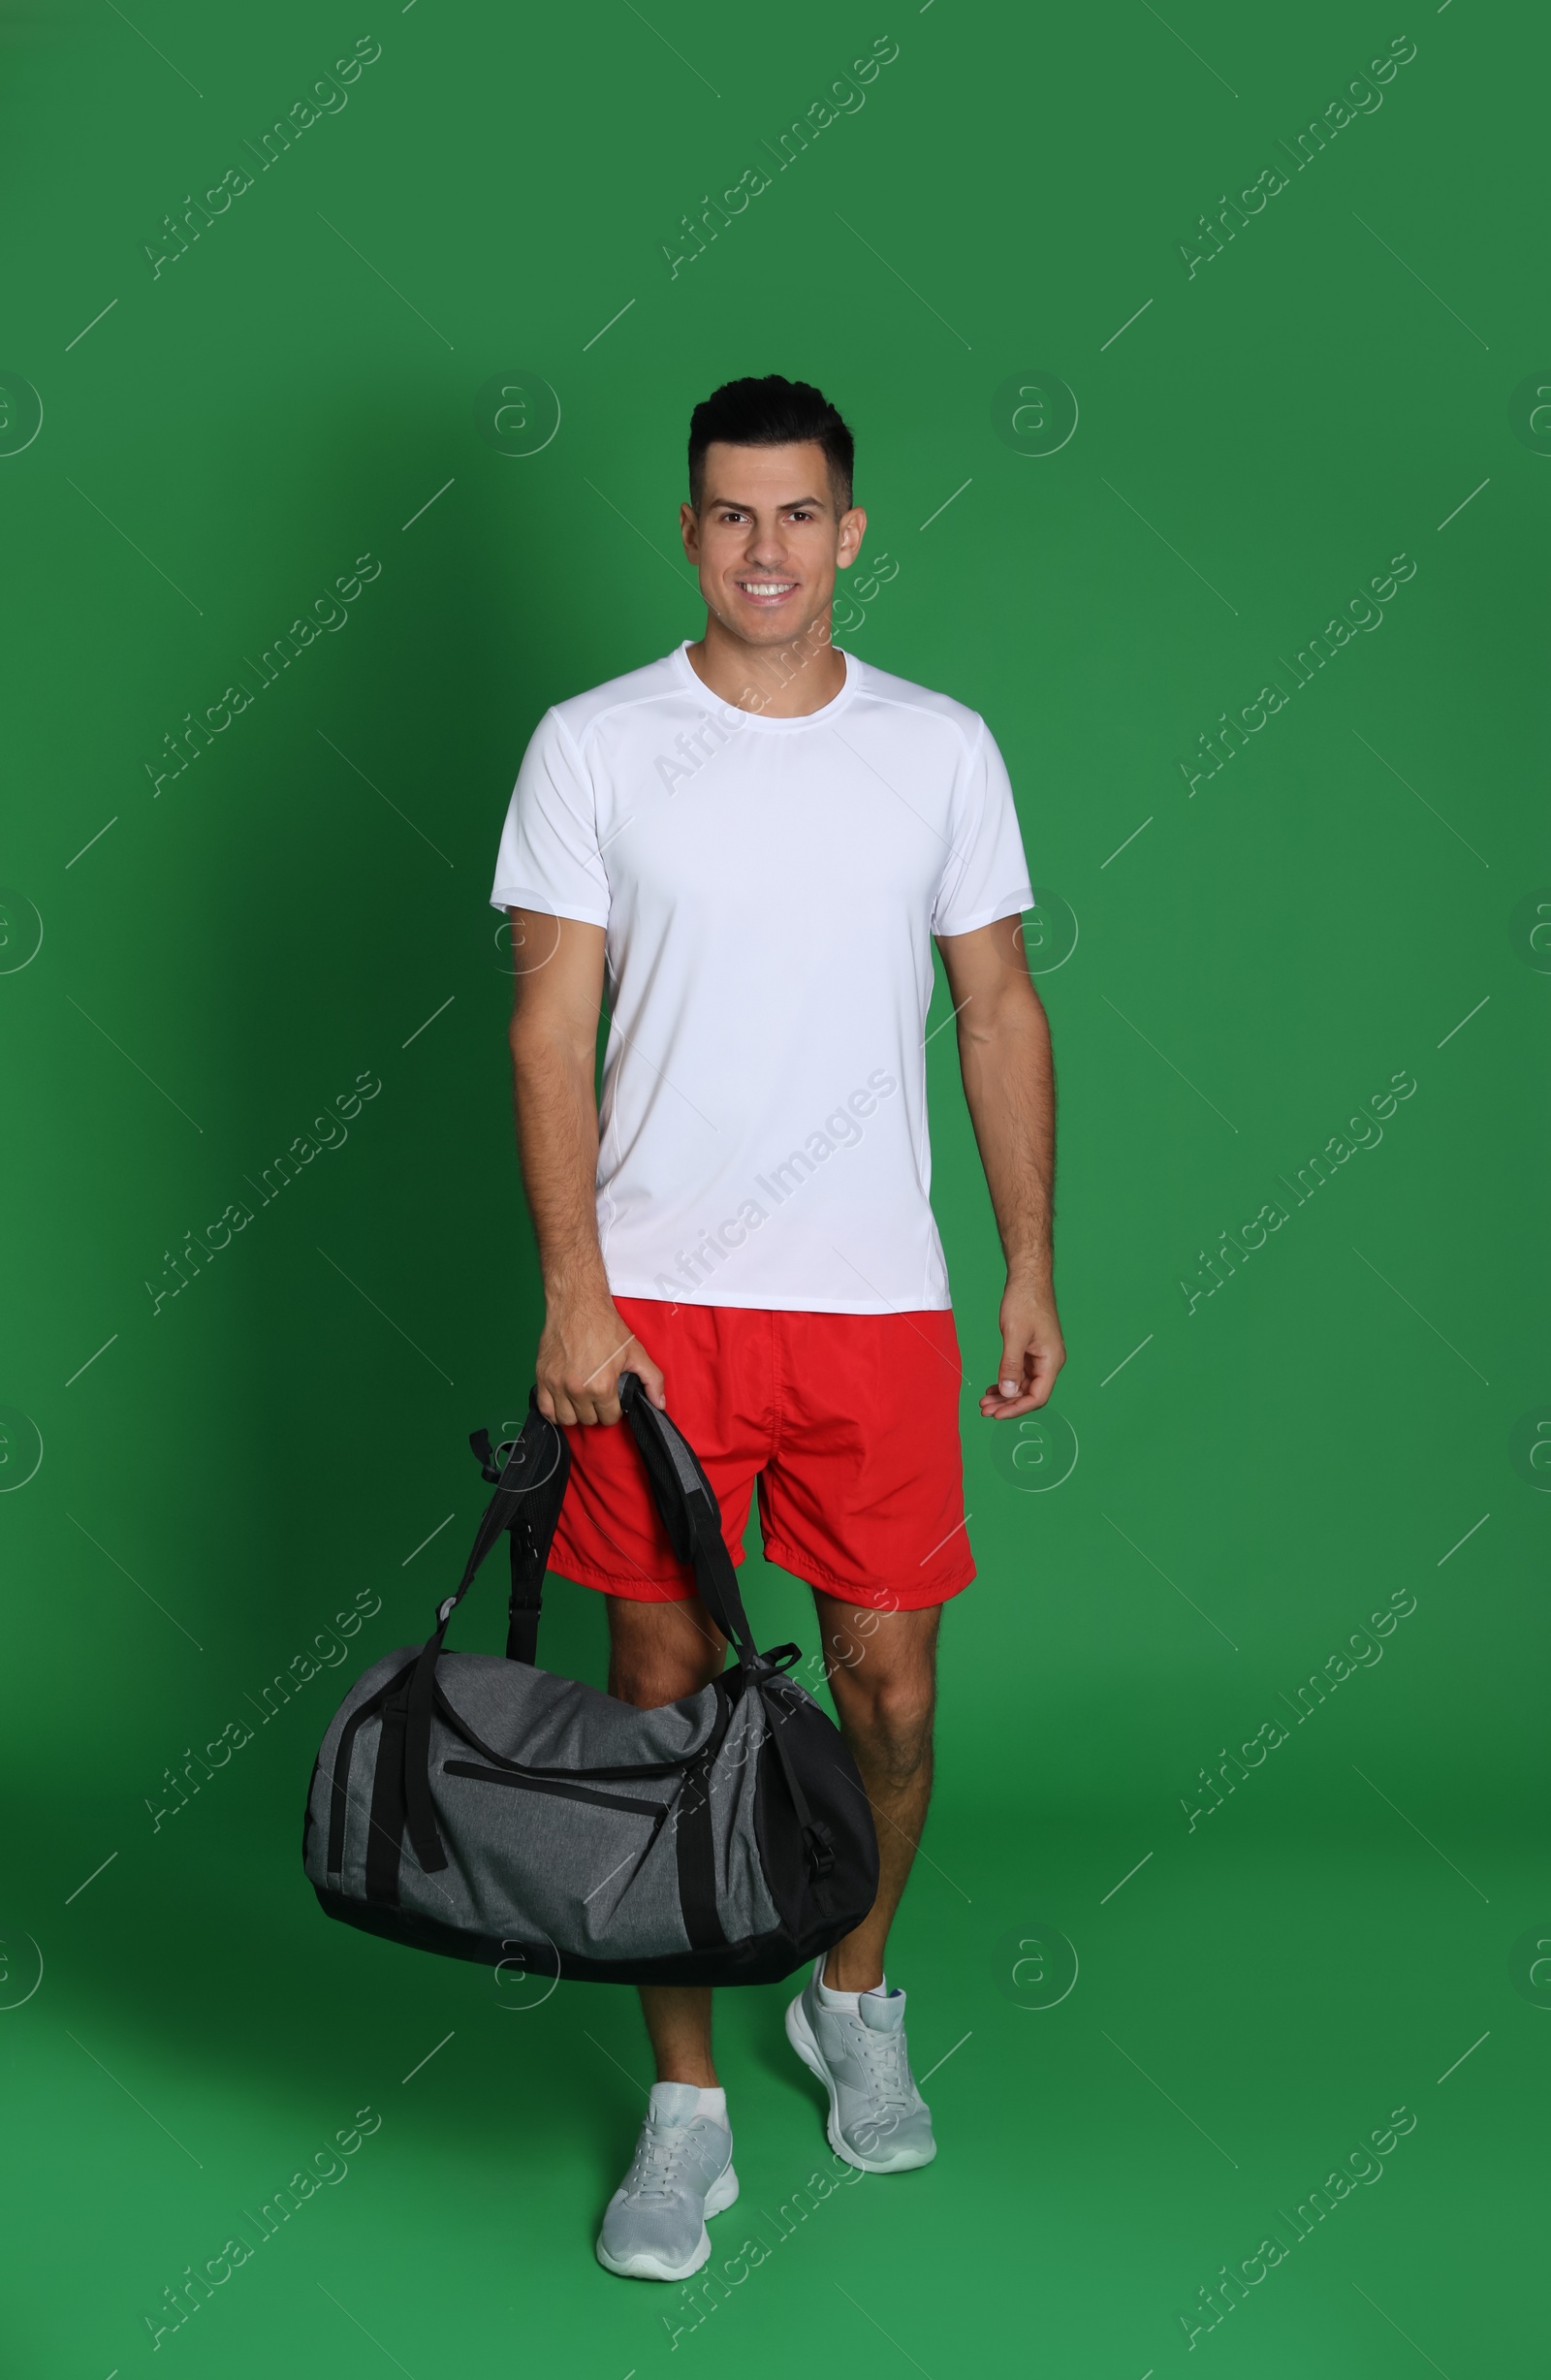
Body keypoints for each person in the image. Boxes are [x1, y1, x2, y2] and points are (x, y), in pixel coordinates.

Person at [490, 374, 1063, 2281]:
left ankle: (854, 1988)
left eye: (796, 513)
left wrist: (1025, 1264)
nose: (763, 548)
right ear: (685, 533)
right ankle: (684, 2102)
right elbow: (543, 1027)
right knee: (659, 1707)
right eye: (729, 515)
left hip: (868, 1302)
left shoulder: (938, 749)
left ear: (849, 530)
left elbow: (993, 1009)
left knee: (884, 1691)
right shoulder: (591, 744)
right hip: (653, 1315)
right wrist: (574, 1289)